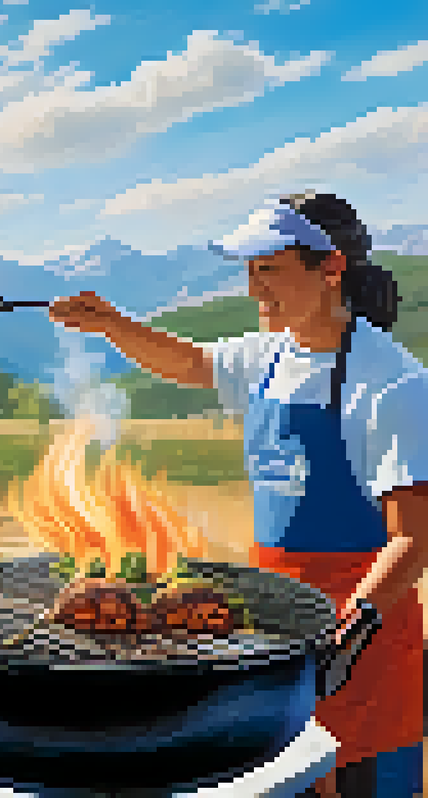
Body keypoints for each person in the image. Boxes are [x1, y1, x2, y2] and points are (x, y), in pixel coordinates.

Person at [50, 192, 425, 798]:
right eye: (250, 272)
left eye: (269, 270)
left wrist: (353, 630)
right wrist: (110, 324)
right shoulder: (270, 354)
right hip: (281, 628)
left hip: (366, 642)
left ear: (330, 269)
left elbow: (413, 535)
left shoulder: (391, 383)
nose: (254, 290)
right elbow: (191, 363)